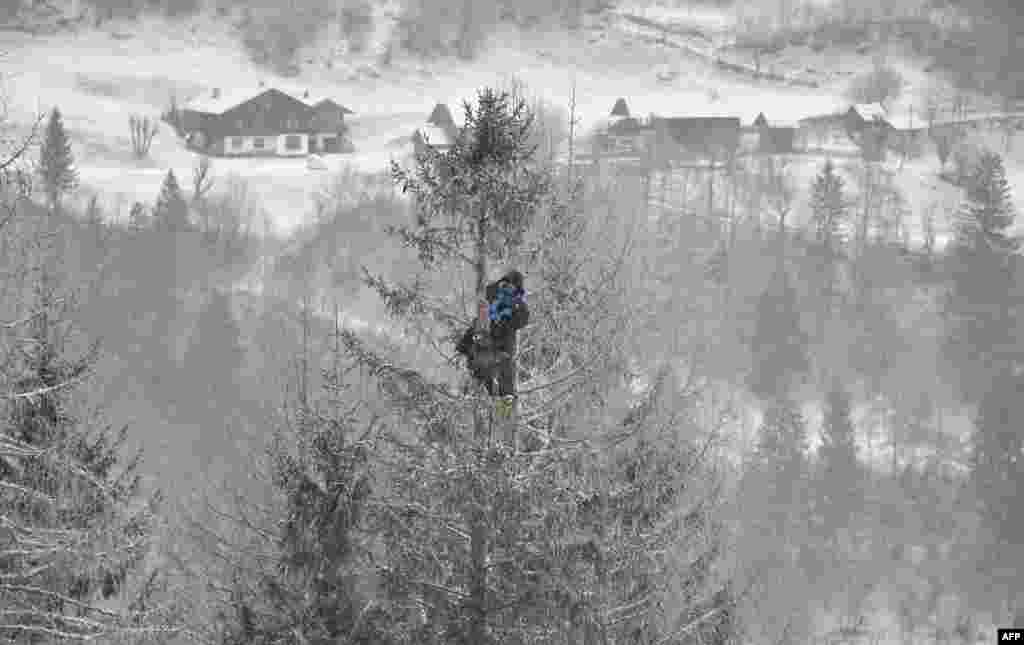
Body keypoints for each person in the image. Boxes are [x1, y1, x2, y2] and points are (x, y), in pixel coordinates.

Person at [455, 270, 529, 398]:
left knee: (503, 366)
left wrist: (511, 312)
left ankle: (505, 397)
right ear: (503, 284)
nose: (509, 289)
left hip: (501, 346)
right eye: (507, 285)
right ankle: (478, 388)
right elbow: (477, 324)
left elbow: (522, 319)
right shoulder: (492, 298)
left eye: (513, 287)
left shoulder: (517, 305)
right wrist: (463, 345)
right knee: (481, 361)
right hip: (484, 342)